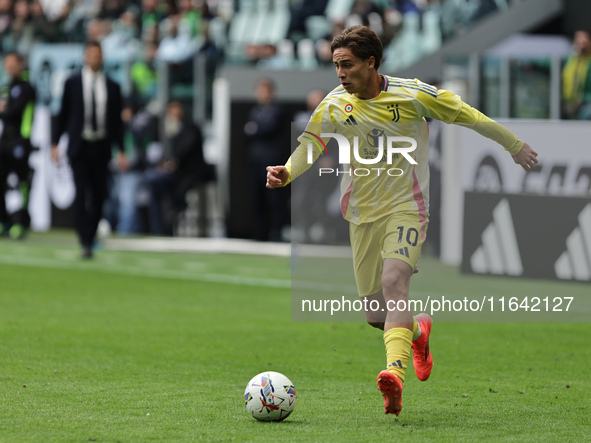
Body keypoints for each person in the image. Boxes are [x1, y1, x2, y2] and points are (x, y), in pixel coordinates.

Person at [266, 26, 538, 416]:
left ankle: (394, 375)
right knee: (377, 315)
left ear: (371, 62)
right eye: (336, 66)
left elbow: (467, 115)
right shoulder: (333, 104)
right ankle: (417, 332)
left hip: (406, 207)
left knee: (395, 282)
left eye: (347, 65)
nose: (340, 73)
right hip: (361, 215)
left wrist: (513, 145)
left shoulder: (412, 94)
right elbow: (310, 145)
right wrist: (288, 172)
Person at [51, 41, 127, 259]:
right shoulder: (72, 83)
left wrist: (121, 150)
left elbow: (116, 123)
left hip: (101, 146)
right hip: (79, 146)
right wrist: (55, 143)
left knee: (100, 195)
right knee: (81, 193)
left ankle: (91, 235)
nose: (95, 58)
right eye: (91, 54)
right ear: (85, 57)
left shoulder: (112, 86)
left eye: (98, 55)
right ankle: (85, 240)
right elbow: (63, 115)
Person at [144, 100, 207, 235]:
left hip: (188, 174)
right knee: (153, 184)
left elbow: (184, 152)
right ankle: (159, 228)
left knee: (156, 182)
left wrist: (173, 163)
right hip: (173, 174)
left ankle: (175, 205)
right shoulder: (169, 129)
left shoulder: (190, 128)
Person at [244, 78, 287, 241]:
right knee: (257, 198)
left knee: (274, 198)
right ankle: (259, 233)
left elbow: (266, 129)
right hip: (255, 160)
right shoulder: (255, 110)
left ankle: (277, 232)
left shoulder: (278, 110)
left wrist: (255, 129)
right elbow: (247, 132)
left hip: (272, 160)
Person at [0, 52, 35, 239]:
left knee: (22, 182)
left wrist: (4, 110)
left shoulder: (27, 87)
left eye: (13, 63)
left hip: (20, 140)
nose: (10, 67)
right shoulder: (6, 87)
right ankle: (3, 220)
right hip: (5, 140)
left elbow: (13, 112)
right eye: (7, 63)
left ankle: (21, 222)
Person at [562, 29, 591, 120]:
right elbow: (550, 62)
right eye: (578, 41)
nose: (582, 44)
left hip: (587, 103)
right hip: (570, 103)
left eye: (584, 42)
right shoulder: (570, 59)